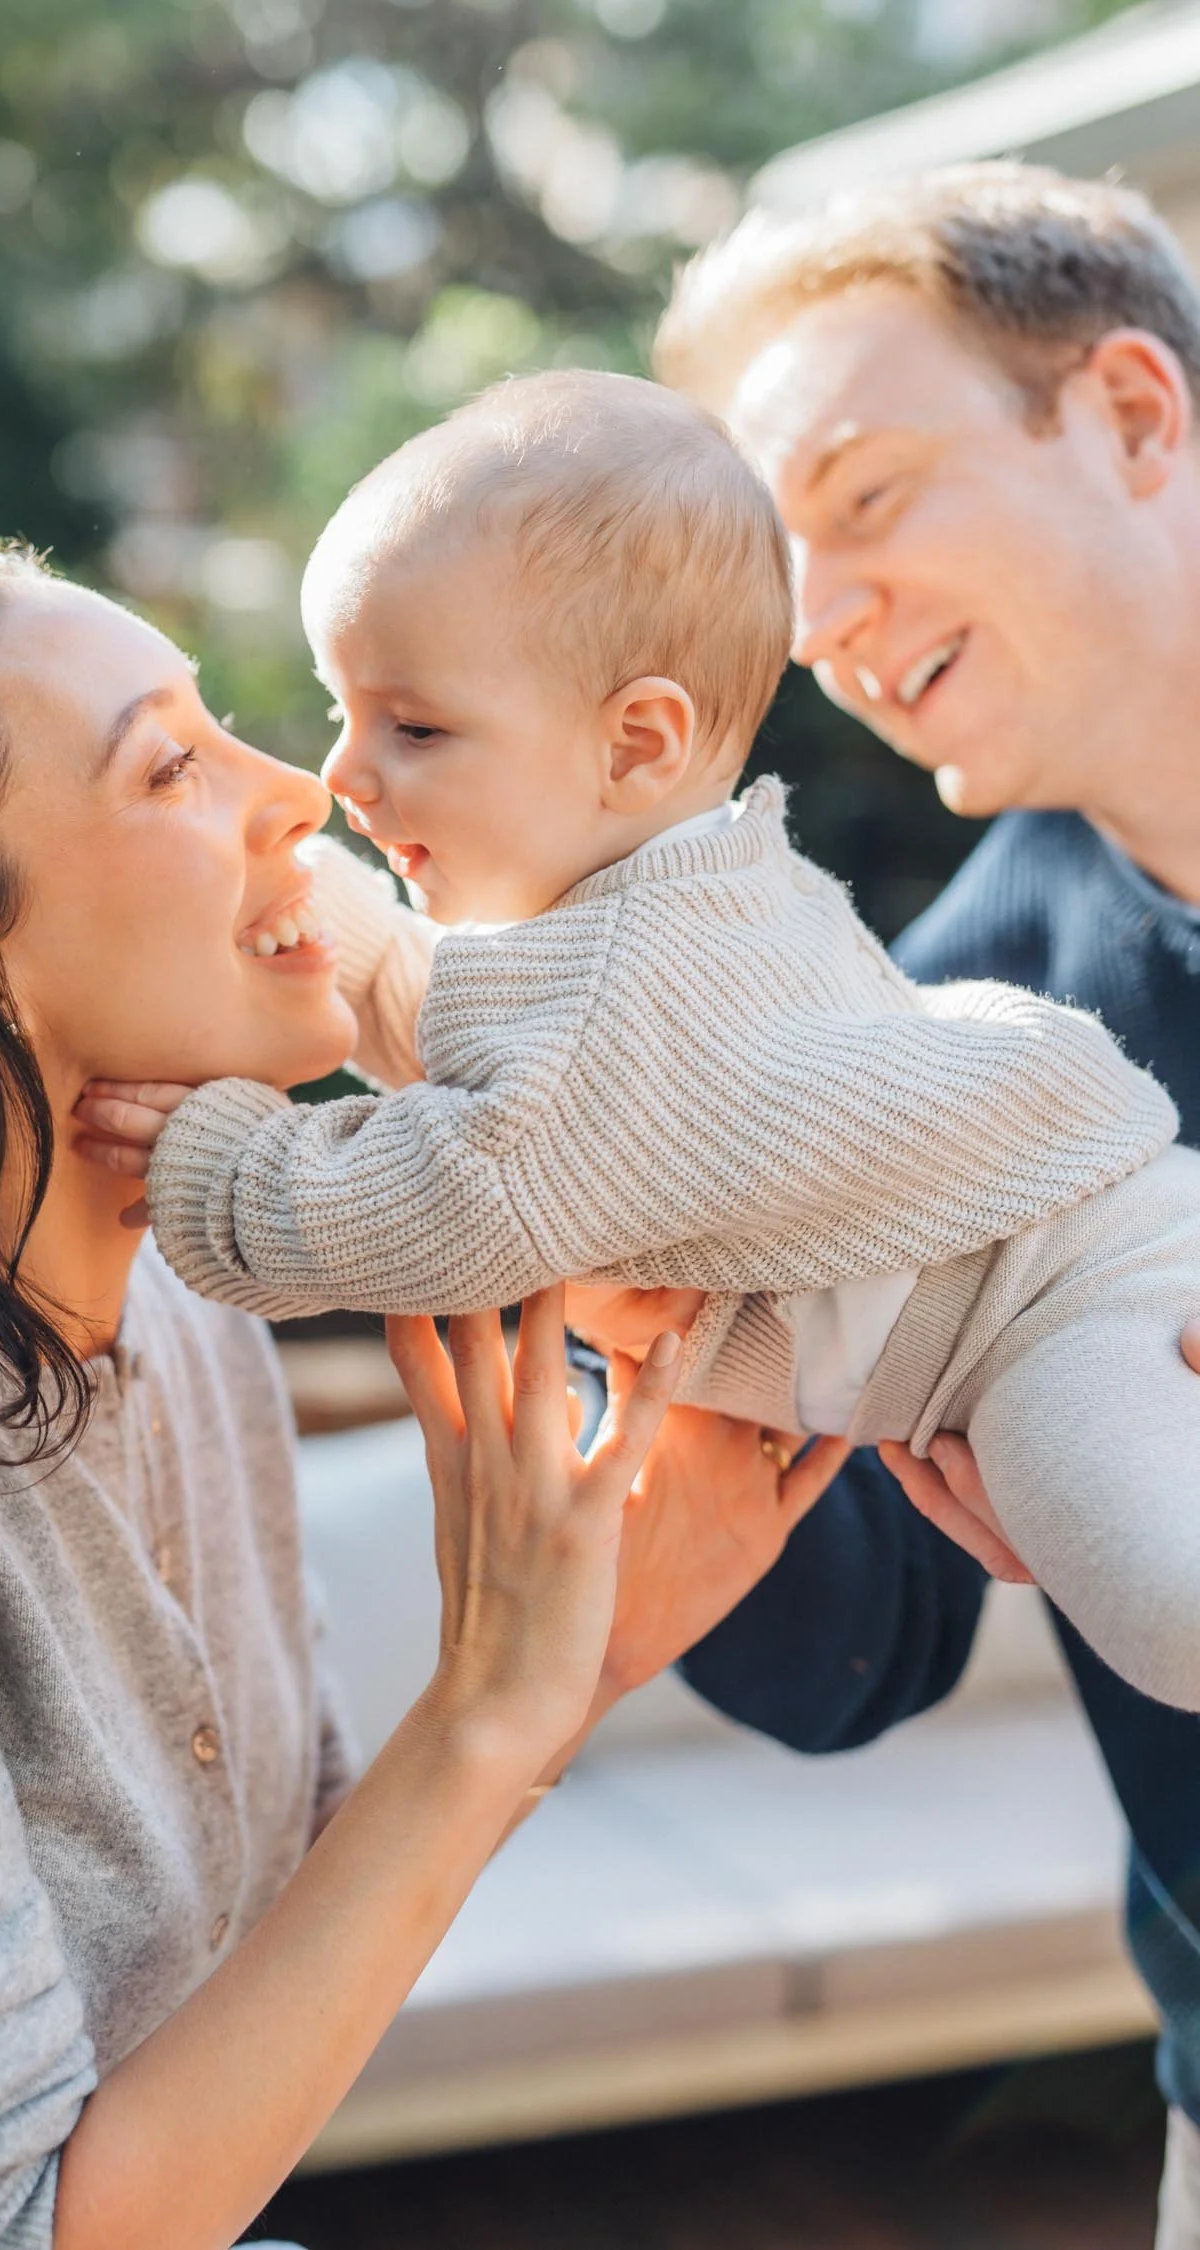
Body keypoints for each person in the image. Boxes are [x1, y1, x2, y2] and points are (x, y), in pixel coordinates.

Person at [0, 546, 846, 2250]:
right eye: (168, 762)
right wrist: (484, 1713)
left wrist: (573, 1658)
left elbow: (256, 1957)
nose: (297, 787)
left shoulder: (182, 1308)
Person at [75, 365, 1200, 1713]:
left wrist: (228, 1165)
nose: (342, 775)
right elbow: (466, 1032)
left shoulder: (627, 986)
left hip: (1059, 1315)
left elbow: (461, 1192)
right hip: (1075, 1259)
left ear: (636, 744)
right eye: (343, 711)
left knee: (1175, 1620)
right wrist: (333, 923)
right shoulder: (661, 913)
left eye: (414, 725)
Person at [644, 161, 1200, 2246]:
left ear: (1135, 417)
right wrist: (634, 1289)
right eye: (782, 564)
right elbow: (843, 1653)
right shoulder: (952, 1034)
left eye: (864, 496)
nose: (823, 616)